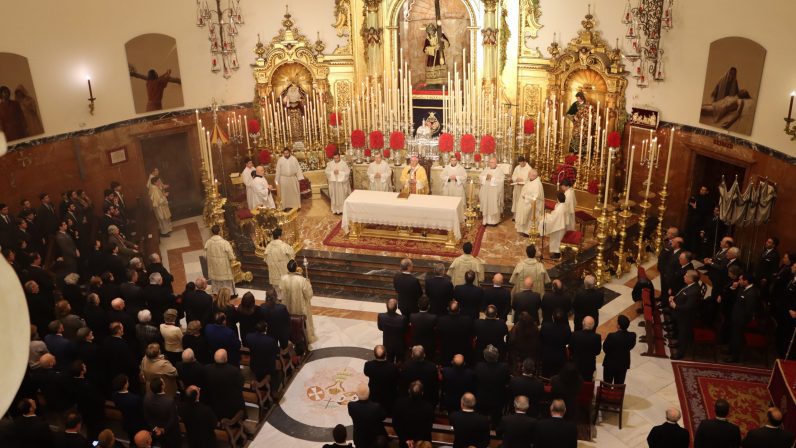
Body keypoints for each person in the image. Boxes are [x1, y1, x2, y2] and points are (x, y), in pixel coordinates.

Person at [280, 259, 317, 343]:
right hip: (300, 307)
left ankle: (291, 337)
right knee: (301, 322)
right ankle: (305, 338)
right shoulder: (302, 280)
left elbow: (281, 292)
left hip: (288, 307)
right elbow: (309, 295)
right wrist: (309, 284)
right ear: (296, 268)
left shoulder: (283, 278)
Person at [726, 273, 759, 363]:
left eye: (740, 280)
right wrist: (733, 288)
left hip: (741, 320)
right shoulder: (742, 288)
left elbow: (749, 310)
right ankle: (731, 351)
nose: (738, 281)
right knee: (733, 336)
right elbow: (732, 298)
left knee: (738, 338)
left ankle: (735, 357)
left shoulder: (752, 293)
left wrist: (742, 320)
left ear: (746, 281)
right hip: (736, 317)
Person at [668, 270, 702, 359]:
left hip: (687, 317)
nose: (684, 276)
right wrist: (674, 298)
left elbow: (688, 307)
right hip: (681, 315)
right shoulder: (689, 285)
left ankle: (680, 353)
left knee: (684, 334)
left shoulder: (695, 291)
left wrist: (675, 306)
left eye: (686, 276)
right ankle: (678, 343)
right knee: (680, 332)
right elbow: (682, 295)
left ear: (691, 279)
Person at [204, 349, 245, 420]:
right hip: (230, 407)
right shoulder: (234, 371)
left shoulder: (207, 369)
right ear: (226, 358)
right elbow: (241, 384)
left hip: (213, 404)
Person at [474, 345, 510, 425]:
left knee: (480, 421)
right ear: (497, 356)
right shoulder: (504, 367)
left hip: (481, 399)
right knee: (496, 422)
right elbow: (507, 381)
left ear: (484, 356)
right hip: (497, 400)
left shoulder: (479, 366)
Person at [393, 380, 434, 447]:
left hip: (405, 442)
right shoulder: (428, 407)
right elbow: (428, 427)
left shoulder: (399, 403)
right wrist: (416, 440)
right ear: (422, 393)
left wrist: (406, 439)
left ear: (409, 391)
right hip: (422, 443)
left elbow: (396, 424)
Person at [142, 378, 181, 448]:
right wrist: (163, 430)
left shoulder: (146, 398)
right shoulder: (169, 401)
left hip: (157, 432)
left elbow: (147, 416)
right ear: (162, 386)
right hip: (171, 432)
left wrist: (155, 428)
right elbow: (173, 419)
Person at [347, 384, 387, 448]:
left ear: (357, 394)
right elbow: (383, 417)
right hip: (373, 438)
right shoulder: (376, 407)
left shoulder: (351, 406)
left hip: (359, 439)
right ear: (369, 393)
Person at [363, 345, 399, 413]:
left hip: (374, 393)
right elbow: (396, 377)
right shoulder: (393, 367)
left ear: (374, 354)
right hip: (388, 394)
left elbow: (366, 373)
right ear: (385, 354)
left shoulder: (368, 365)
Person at [602, 315, 636, 384]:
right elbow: (631, 346)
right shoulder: (632, 335)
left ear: (618, 326)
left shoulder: (611, 336)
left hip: (609, 364)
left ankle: (606, 395)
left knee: (607, 384)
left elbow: (605, 348)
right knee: (619, 385)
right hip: (623, 365)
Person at [204, 225, 236, 293]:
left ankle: (217, 292)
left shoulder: (208, 242)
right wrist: (232, 259)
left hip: (214, 269)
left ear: (212, 232)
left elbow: (205, 256)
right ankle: (227, 294)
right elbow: (231, 256)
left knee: (216, 282)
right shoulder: (224, 243)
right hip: (224, 268)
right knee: (225, 283)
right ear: (220, 231)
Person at [264, 228, 295, 297]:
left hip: (274, 274)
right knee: (285, 294)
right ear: (279, 236)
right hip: (283, 275)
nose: (284, 236)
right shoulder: (284, 246)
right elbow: (292, 258)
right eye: (283, 235)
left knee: (277, 293)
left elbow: (265, 260)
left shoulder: (268, 247)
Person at [540, 309, 571, 377]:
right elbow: (568, 342)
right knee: (559, 377)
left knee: (545, 377)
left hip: (547, 356)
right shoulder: (567, 329)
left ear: (552, 317)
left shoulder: (545, 326)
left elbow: (541, 339)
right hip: (560, 357)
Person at [514, 168, 545, 235]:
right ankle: (523, 230)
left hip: (532, 206)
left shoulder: (537, 184)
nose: (528, 175)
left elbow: (536, 197)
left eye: (529, 174)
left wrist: (526, 197)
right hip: (525, 202)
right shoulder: (530, 180)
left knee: (530, 219)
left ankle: (529, 232)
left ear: (533, 175)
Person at [569, 316, 601, 380]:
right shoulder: (597, 337)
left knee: (575, 383)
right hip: (589, 365)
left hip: (576, 364)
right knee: (587, 384)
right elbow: (597, 352)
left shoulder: (575, 334)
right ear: (593, 325)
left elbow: (571, 349)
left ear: (583, 323)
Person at [378, 298, 406, 363]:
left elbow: (380, 328)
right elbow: (404, 331)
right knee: (400, 362)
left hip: (387, 344)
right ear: (396, 307)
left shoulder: (381, 316)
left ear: (386, 306)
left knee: (389, 361)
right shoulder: (402, 318)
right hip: (399, 345)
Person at [479, 157, 505, 225]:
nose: (491, 164)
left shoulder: (499, 171)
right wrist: (485, 177)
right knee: (485, 204)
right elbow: (480, 177)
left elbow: (501, 181)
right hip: (485, 191)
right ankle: (485, 220)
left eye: (492, 162)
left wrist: (492, 178)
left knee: (493, 204)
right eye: (490, 162)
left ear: (496, 163)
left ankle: (494, 221)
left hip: (494, 192)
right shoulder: (486, 169)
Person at [543, 192, 568, 259]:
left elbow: (554, 218)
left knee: (556, 240)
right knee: (558, 240)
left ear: (558, 199)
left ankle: (556, 254)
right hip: (561, 225)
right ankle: (559, 252)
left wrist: (547, 216)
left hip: (558, 227)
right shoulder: (564, 205)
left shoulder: (560, 208)